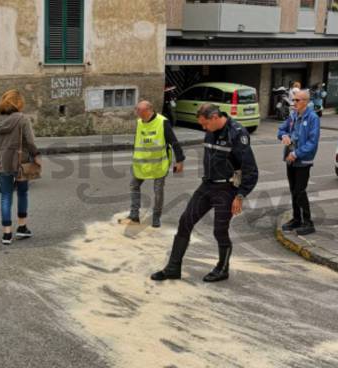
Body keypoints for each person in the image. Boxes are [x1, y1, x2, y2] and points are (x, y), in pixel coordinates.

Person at [151, 103, 258, 283]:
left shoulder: (237, 134)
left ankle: (222, 269)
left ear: (215, 117)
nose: (204, 128)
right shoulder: (210, 130)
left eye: (205, 124)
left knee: (219, 230)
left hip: (226, 189)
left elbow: (250, 170)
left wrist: (240, 196)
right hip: (207, 185)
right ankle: (172, 268)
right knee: (185, 221)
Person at [0, 89, 41, 245]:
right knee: (22, 193)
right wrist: (36, 155)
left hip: (1, 162)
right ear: (18, 103)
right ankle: (22, 227)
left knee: (5, 196)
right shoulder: (23, 119)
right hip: (19, 162)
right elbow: (30, 142)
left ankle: (6, 234)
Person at [120, 100, 185, 228]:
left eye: (139, 110)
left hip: (158, 164)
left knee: (158, 191)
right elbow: (137, 141)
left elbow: (174, 141)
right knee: (134, 185)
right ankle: (134, 215)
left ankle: (156, 217)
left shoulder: (162, 122)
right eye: (137, 110)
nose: (137, 113)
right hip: (142, 163)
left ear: (149, 110)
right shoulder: (139, 122)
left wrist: (180, 160)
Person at [277, 89, 320, 235]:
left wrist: (296, 154)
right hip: (290, 159)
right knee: (293, 190)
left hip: (302, 160)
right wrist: (284, 136)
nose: (294, 103)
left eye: (297, 100)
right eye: (293, 100)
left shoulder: (313, 118)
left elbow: (312, 143)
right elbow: (281, 129)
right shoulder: (293, 115)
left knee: (299, 191)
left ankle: (308, 223)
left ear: (306, 102)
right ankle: (296, 219)